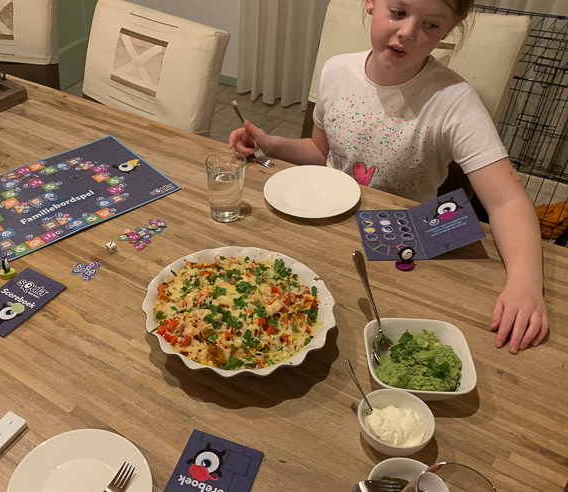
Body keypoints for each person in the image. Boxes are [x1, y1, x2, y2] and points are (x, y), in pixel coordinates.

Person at [229, 0, 549, 355]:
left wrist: (526, 283)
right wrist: (272, 144)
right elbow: (322, 152)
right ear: (371, 3)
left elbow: (507, 201)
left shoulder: (455, 101)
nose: (407, 33)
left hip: (402, 254)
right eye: (397, 13)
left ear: (453, 25)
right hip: (327, 230)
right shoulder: (336, 70)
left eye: (430, 25)